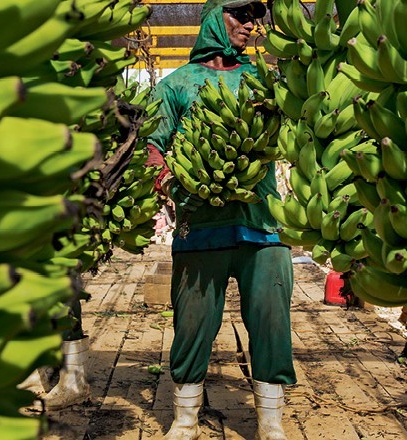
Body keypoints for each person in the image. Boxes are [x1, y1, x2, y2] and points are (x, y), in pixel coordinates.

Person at [145, 1, 296, 439]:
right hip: (201, 224)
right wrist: (172, 184)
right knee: (192, 323)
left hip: (262, 223)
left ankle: (271, 422)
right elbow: (152, 146)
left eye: (256, 18)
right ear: (215, 17)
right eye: (241, 15)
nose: (251, 25)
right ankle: (185, 418)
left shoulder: (263, 81)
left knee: (271, 320)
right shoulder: (178, 84)